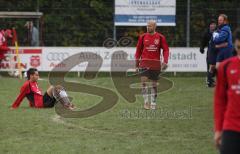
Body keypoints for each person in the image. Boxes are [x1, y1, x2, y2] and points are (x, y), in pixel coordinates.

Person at [214, 29, 240, 154]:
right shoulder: (225, 67)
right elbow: (220, 100)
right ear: (235, 45)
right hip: (232, 126)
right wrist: (218, 129)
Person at [135, 20, 169, 110]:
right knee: (143, 82)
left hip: (155, 64)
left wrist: (165, 61)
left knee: (154, 84)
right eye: (147, 26)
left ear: (154, 27)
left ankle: (153, 102)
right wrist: (136, 64)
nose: (148, 27)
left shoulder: (160, 37)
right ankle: (146, 102)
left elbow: (166, 50)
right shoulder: (142, 37)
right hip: (144, 63)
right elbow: (138, 51)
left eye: (150, 26)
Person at [199, 20, 217, 87]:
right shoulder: (206, 33)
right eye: (211, 24)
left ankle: (211, 79)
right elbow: (203, 42)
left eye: (214, 24)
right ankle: (209, 80)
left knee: (216, 67)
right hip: (210, 52)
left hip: (218, 52)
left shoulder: (218, 32)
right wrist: (202, 48)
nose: (213, 25)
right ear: (209, 25)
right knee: (209, 66)